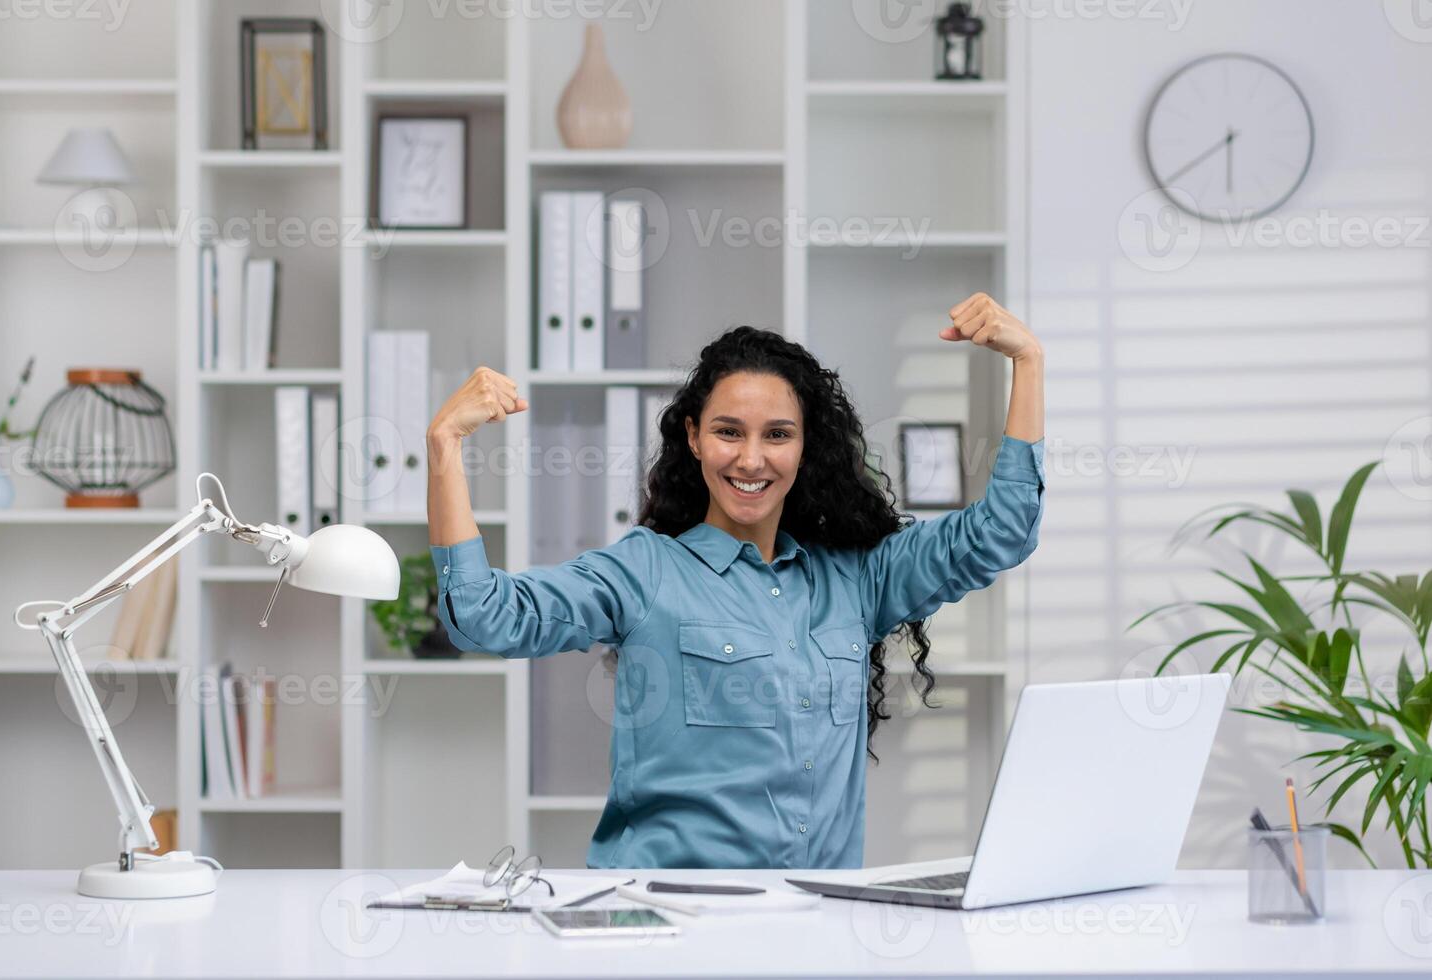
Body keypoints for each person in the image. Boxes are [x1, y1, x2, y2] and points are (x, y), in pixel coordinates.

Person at [426, 292, 1046, 869]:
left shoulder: (858, 579)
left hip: (815, 930)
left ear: (805, 448)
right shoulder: (646, 571)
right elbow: (483, 617)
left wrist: (1029, 362)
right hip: (671, 926)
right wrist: (445, 445)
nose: (751, 459)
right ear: (694, 437)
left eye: (777, 435)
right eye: (729, 432)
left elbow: (1003, 532)